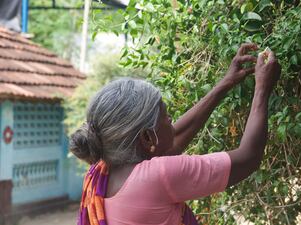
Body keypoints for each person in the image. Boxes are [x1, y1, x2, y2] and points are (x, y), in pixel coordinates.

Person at [70, 43, 281, 225]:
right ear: (146, 138)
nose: (171, 119)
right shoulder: (158, 176)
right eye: (165, 114)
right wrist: (262, 88)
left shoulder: (103, 171)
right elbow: (248, 158)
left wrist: (225, 84)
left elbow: (172, 140)